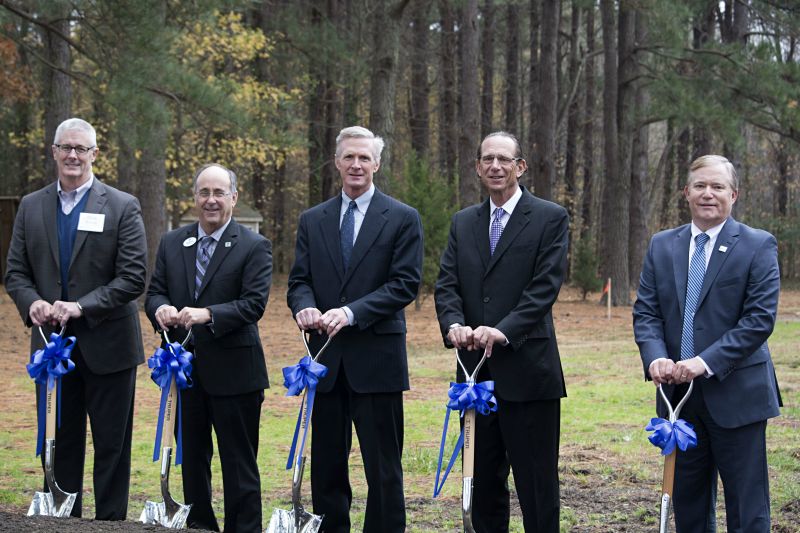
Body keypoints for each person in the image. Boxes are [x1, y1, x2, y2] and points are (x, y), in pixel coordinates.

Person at [5, 118, 147, 520]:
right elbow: (15, 271)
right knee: (58, 441)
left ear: (94, 155)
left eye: (81, 149)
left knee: (111, 447)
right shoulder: (31, 206)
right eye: (65, 147)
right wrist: (31, 302)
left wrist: (82, 306)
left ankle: (109, 525)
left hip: (110, 348)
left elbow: (133, 276)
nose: (73, 155)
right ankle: (60, 523)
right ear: (53, 152)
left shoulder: (121, 205)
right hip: (52, 349)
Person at [633, 154, 781, 532]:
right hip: (678, 398)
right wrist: (656, 358)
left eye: (717, 187)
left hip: (737, 396)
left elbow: (758, 321)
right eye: (700, 186)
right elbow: (647, 313)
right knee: (689, 506)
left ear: (734, 194)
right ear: (686, 192)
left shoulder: (757, 245)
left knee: (747, 509)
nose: (708, 194)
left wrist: (705, 361)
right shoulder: (662, 245)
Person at [287, 126, 423, 533]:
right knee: (326, 465)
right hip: (325, 362)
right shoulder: (313, 219)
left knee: (383, 466)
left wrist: (349, 313)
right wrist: (305, 306)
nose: (357, 164)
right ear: (337, 163)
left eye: (364, 157)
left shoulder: (402, 217)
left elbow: (404, 285)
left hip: (376, 360)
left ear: (377, 164)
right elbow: (299, 281)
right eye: (349, 157)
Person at [434, 131, 569, 533]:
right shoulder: (463, 222)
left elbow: (544, 287)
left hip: (529, 370)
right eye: (487, 159)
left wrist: (502, 330)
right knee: (482, 479)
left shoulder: (549, 217)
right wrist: (454, 324)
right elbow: (447, 285)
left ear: (520, 167)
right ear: (478, 167)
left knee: (536, 483)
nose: (495, 166)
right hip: (475, 373)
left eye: (504, 160)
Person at [145, 163, 272, 532]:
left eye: (219, 193)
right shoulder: (173, 242)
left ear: (234, 197)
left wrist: (207, 314)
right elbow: (154, 293)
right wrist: (161, 309)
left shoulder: (254, 245)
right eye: (204, 193)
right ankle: (199, 525)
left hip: (236, 374)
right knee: (192, 460)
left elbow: (253, 304)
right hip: (183, 374)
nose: (211, 200)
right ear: (195, 197)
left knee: (238, 462)